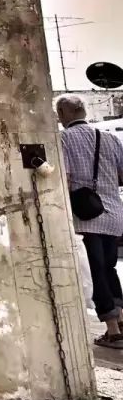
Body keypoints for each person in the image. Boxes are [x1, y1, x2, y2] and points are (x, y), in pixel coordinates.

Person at [56, 95, 123, 349]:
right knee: (109, 267)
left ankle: (113, 330)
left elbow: (65, 178)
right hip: (114, 214)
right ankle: (121, 318)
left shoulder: (64, 139)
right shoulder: (110, 138)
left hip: (87, 218)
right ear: (83, 111)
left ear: (63, 113)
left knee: (96, 271)